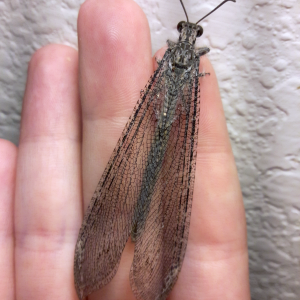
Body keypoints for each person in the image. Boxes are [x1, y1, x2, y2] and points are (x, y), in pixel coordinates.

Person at [0, 0, 250, 299]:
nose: (187, 34)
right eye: (186, 30)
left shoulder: (179, 56)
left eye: (190, 31)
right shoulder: (190, 61)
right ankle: (99, 259)